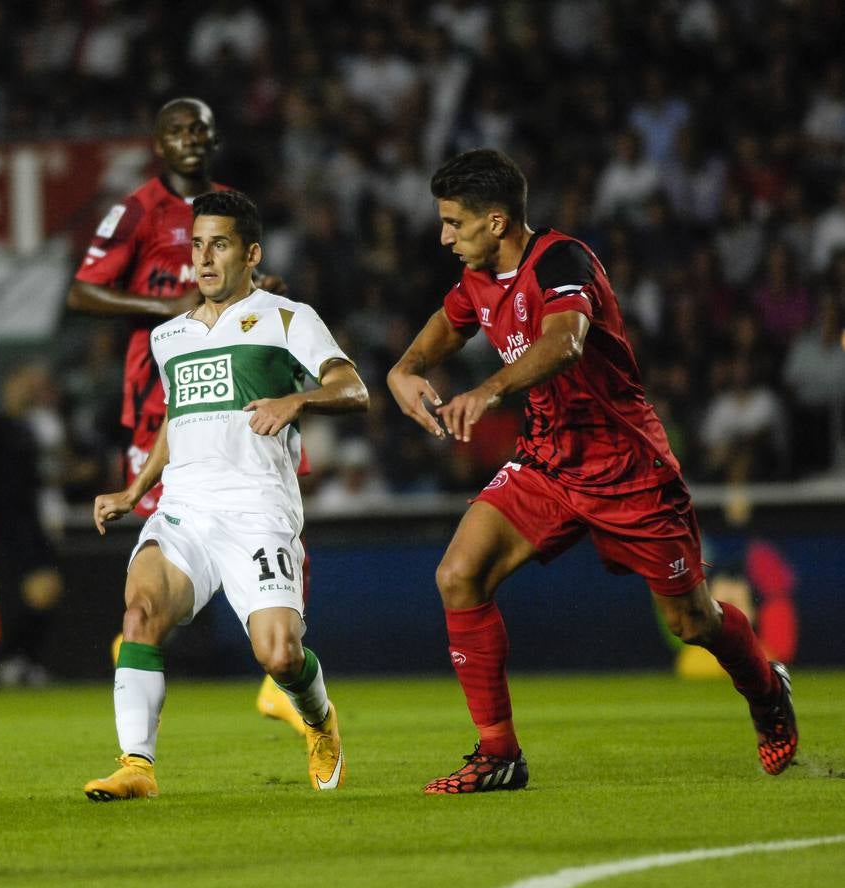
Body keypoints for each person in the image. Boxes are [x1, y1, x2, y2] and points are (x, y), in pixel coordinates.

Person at [386, 148, 797, 794]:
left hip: (627, 467)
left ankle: (766, 690)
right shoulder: (476, 277)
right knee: (458, 573)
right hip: (546, 461)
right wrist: (403, 368)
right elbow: (449, 321)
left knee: (690, 622)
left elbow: (564, 342)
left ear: (495, 222)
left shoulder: (561, 260)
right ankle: (498, 755)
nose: (442, 236)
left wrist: (488, 390)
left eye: (452, 223)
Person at [82, 190, 369, 801]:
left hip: (258, 514)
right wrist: (135, 490)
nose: (204, 258)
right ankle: (136, 765)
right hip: (185, 512)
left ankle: (321, 721)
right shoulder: (171, 337)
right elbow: (175, 420)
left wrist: (297, 400)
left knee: (280, 655)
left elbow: (353, 388)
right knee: (140, 613)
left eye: (220, 245)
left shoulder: (288, 319)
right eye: (197, 245)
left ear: (251, 253)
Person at [67, 96, 304, 733]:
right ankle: (143, 639)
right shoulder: (137, 209)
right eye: (176, 129)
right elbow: (82, 291)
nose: (190, 138)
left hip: (241, 385)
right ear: (159, 143)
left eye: (199, 127)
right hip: (164, 397)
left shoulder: (227, 205)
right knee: (168, 521)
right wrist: (168, 308)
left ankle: (275, 669)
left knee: (273, 499)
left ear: (214, 136)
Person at [0, 363, 65, 686]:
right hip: (6, 521)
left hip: (32, 521)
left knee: (48, 589)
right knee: (37, 590)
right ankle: (13, 660)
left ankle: (21, 661)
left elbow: (38, 480)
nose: (27, 390)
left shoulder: (31, 430)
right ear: (8, 387)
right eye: (21, 384)